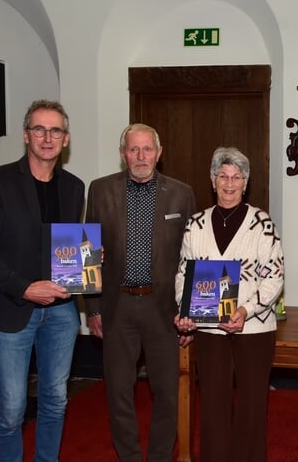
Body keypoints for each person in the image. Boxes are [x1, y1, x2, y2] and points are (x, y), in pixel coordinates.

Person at [0, 99, 84, 462]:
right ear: (26, 135)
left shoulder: (74, 186)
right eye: (39, 129)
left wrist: (87, 259)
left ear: (66, 139)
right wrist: (25, 287)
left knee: (56, 400)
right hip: (10, 310)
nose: (47, 137)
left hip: (62, 312)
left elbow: (66, 247)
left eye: (55, 130)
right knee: (12, 407)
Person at [84, 123, 195, 462]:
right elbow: (87, 250)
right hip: (117, 307)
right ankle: (129, 457)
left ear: (159, 154)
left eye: (148, 149)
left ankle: (160, 456)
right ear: (123, 155)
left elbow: (193, 256)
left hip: (164, 311)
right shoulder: (100, 190)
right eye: (134, 150)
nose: (141, 156)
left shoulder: (182, 193)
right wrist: (92, 308)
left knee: (167, 393)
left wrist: (189, 311)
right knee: (118, 393)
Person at [174, 147, 284, 462]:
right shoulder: (195, 224)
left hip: (254, 328)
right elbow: (183, 274)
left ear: (245, 183)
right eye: (223, 176)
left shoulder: (262, 223)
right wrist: (186, 311)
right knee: (213, 406)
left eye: (237, 177)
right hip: (209, 329)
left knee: (252, 407)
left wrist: (245, 310)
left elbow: (274, 277)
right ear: (212, 180)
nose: (229, 183)